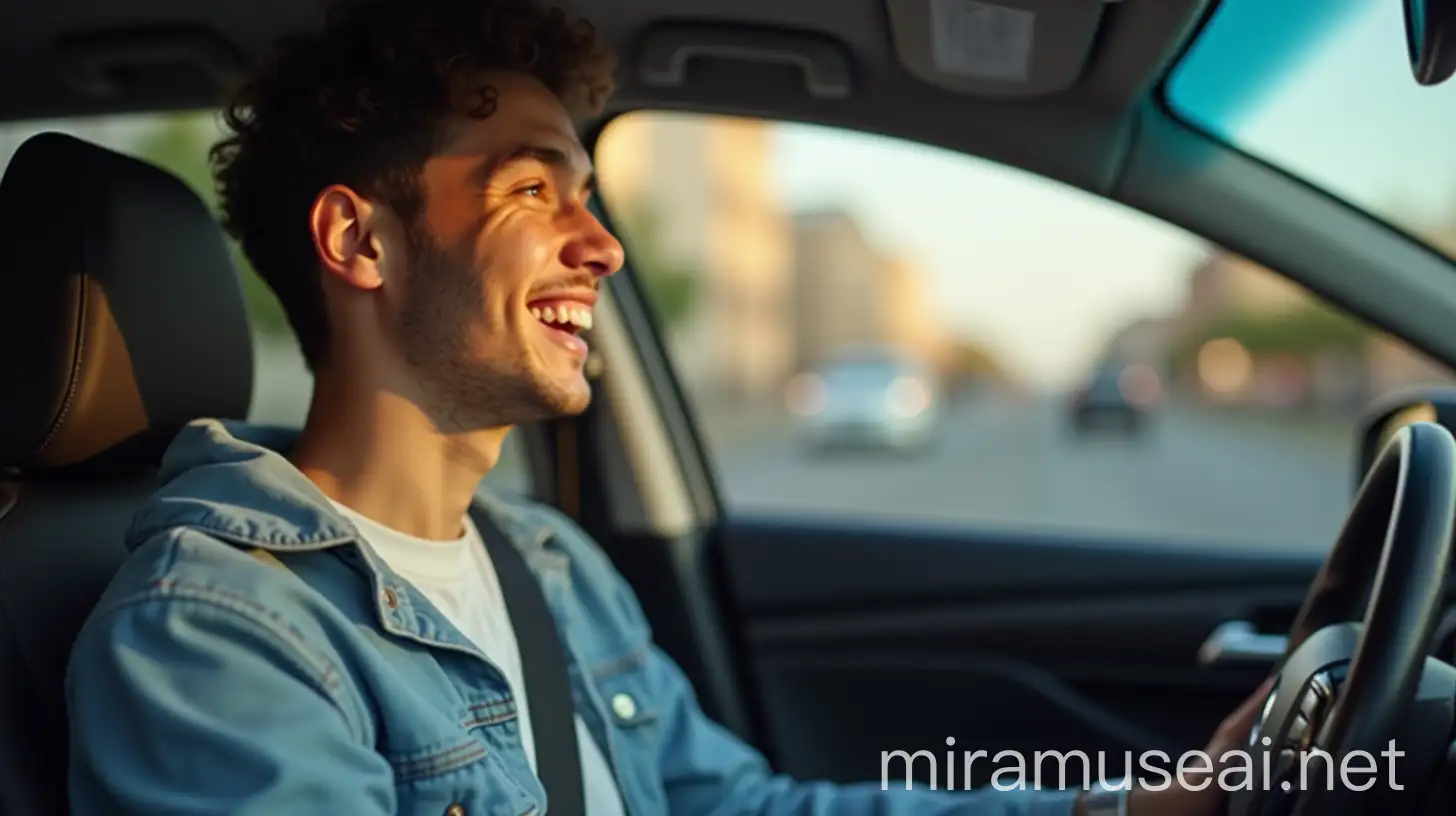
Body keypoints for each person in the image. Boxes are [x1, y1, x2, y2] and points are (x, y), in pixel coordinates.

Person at [63, 0, 1270, 813]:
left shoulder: (544, 559)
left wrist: (1134, 800)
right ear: (358, 241)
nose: (605, 249)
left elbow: (737, 805)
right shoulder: (213, 637)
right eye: (534, 189)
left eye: (592, 195)